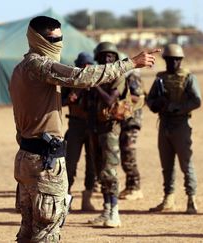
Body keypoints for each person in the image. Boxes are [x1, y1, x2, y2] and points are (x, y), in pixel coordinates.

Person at [9, 16, 158, 243]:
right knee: (47, 232)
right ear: (37, 39)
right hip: (44, 161)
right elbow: (81, 77)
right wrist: (130, 63)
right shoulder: (39, 67)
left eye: (61, 38)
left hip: (28, 157)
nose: (58, 43)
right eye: (52, 38)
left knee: (28, 232)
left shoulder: (20, 70)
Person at [146, 44, 201, 214]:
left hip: (181, 124)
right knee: (167, 165)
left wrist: (176, 107)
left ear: (181, 60)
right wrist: (158, 104)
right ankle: (168, 198)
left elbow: (196, 101)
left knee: (186, 164)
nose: (173, 63)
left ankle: (191, 199)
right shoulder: (160, 79)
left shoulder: (188, 78)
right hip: (164, 124)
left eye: (176, 60)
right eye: (170, 60)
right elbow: (150, 100)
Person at [85, 42, 125, 228]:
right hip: (95, 129)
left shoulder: (118, 77)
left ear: (115, 59)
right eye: (103, 56)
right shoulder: (94, 76)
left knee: (110, 171)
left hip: (109, 129)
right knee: (100, 170)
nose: (107, 59)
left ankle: (114, 212)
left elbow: (110, 100)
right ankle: (106, 210)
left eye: (110, 56)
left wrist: (94, 85)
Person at [63, 52, 96, 211]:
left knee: (92, 164)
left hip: (92, 126)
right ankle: (66, 198)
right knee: (69, 163)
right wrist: (69, 99)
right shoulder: (70, 83)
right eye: (82, 65)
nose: (85, 68)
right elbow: (59, 101)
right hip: (75, 126)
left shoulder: (96, 82)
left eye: (88, 65)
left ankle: (87, 197)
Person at [118, 69, 145, 201]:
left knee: (129, 155)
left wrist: (121, 98)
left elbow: (137, 97)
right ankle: (130, 186)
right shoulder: (128, 76)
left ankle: (135, 188)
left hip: (132, 122)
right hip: (126, 122)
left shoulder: (132, 76)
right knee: (125, 155)